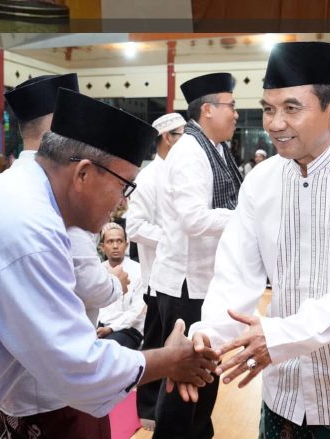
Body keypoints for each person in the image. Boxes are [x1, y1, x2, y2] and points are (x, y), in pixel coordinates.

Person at [0, 87, 219, 438]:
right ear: (83, 174)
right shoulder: (25, 223)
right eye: (124, 186)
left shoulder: (19, 199)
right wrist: (172, 359)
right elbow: (77, 365)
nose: (122, 203)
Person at [188, 41, 330, 438]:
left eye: (291, 108)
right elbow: (235, 274)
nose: (275, 123)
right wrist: (206, 338)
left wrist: (278, 336)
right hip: (285, 388)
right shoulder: (261, 180)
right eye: (268, 109)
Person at [0, 74, 128, 439]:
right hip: (60, 388)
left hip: (13, 379)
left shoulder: (7, 183)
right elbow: (89, 283)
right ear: (61, 127)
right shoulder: (58, 190)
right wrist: (115, 283)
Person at [149, 72, 243, 439]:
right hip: (186, 285)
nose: (236, 114)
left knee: (205, 373)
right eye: (231, 106)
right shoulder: (190, 151)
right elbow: (194, 219)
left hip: (207, 280)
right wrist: (247, 218)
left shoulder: (215, 148)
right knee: (184, 380)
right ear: (208, 110)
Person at [127, 111, 186, 431]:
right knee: (154, 343)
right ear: (166, 138)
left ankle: (168, 407)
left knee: (172, 343)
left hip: (180, 277)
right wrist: (174, 238)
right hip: (156, 277)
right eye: (181, 136)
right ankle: (148, 409)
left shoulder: (180, 172)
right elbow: (135, 227)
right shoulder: (148, 178)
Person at [97, 222, 146, 350]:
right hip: (100, 327)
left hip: (129, 330)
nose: (115, 246)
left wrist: (110, 328)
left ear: (126, 244)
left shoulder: (139, 270)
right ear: (102, 247)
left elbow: (137, 312)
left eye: (119, 241)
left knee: (106, 349)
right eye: (110, 242)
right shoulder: (98, 271)